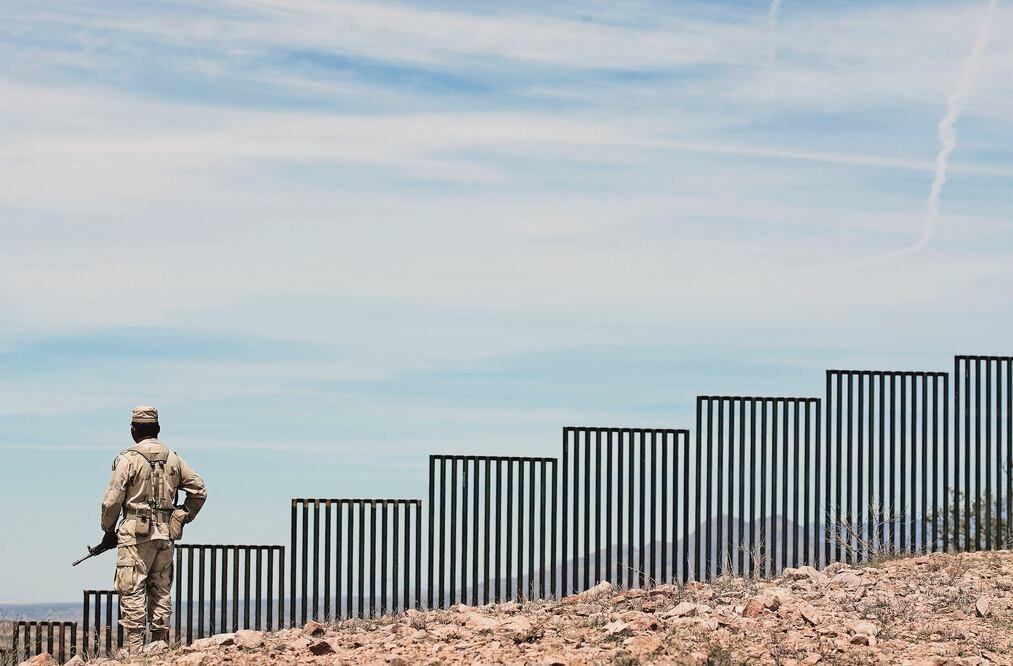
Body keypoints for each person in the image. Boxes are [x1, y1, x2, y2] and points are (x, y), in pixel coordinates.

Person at [100, 406, 207, 653]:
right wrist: (181, 516)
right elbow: (199, 490)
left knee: (132, 586)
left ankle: (135, 649)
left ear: (133, 430)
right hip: (166, 535)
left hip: (135, 535)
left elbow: (112, 501)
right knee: (161, 587)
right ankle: (160, 646)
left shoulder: (127, 459)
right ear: (157, 429)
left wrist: (108, 530)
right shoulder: (174, 458)